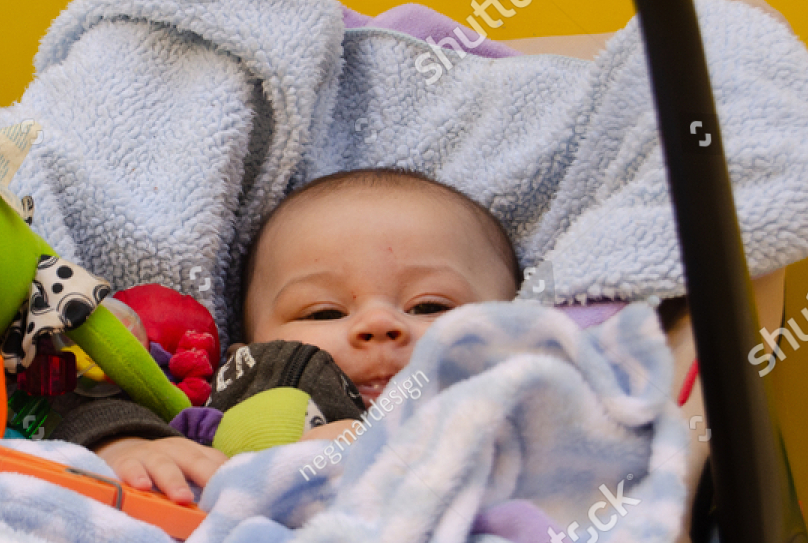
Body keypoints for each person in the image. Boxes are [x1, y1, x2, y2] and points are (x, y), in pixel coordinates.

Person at [53, 168, 522, 503]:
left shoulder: (519, 419)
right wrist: (129, 444)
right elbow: (69, 414)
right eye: (323, 311)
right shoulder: (213, 415)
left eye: (431, 306)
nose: (378, 324)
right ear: (244, 356)